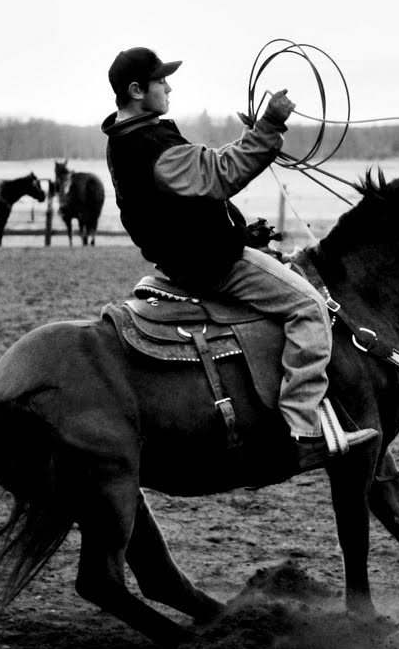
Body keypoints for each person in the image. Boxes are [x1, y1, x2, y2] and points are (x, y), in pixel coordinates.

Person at [101, 46, 377, 470]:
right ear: (137, 90)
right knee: (309, 306)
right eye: (161, 81)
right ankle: (304, 428)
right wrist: (270, 125)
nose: (169, 87)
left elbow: (192, 188)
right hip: (214, 264)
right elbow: (219, 172)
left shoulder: (130, 139)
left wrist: (242, 226)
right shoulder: (149, 146)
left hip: (191, 258)